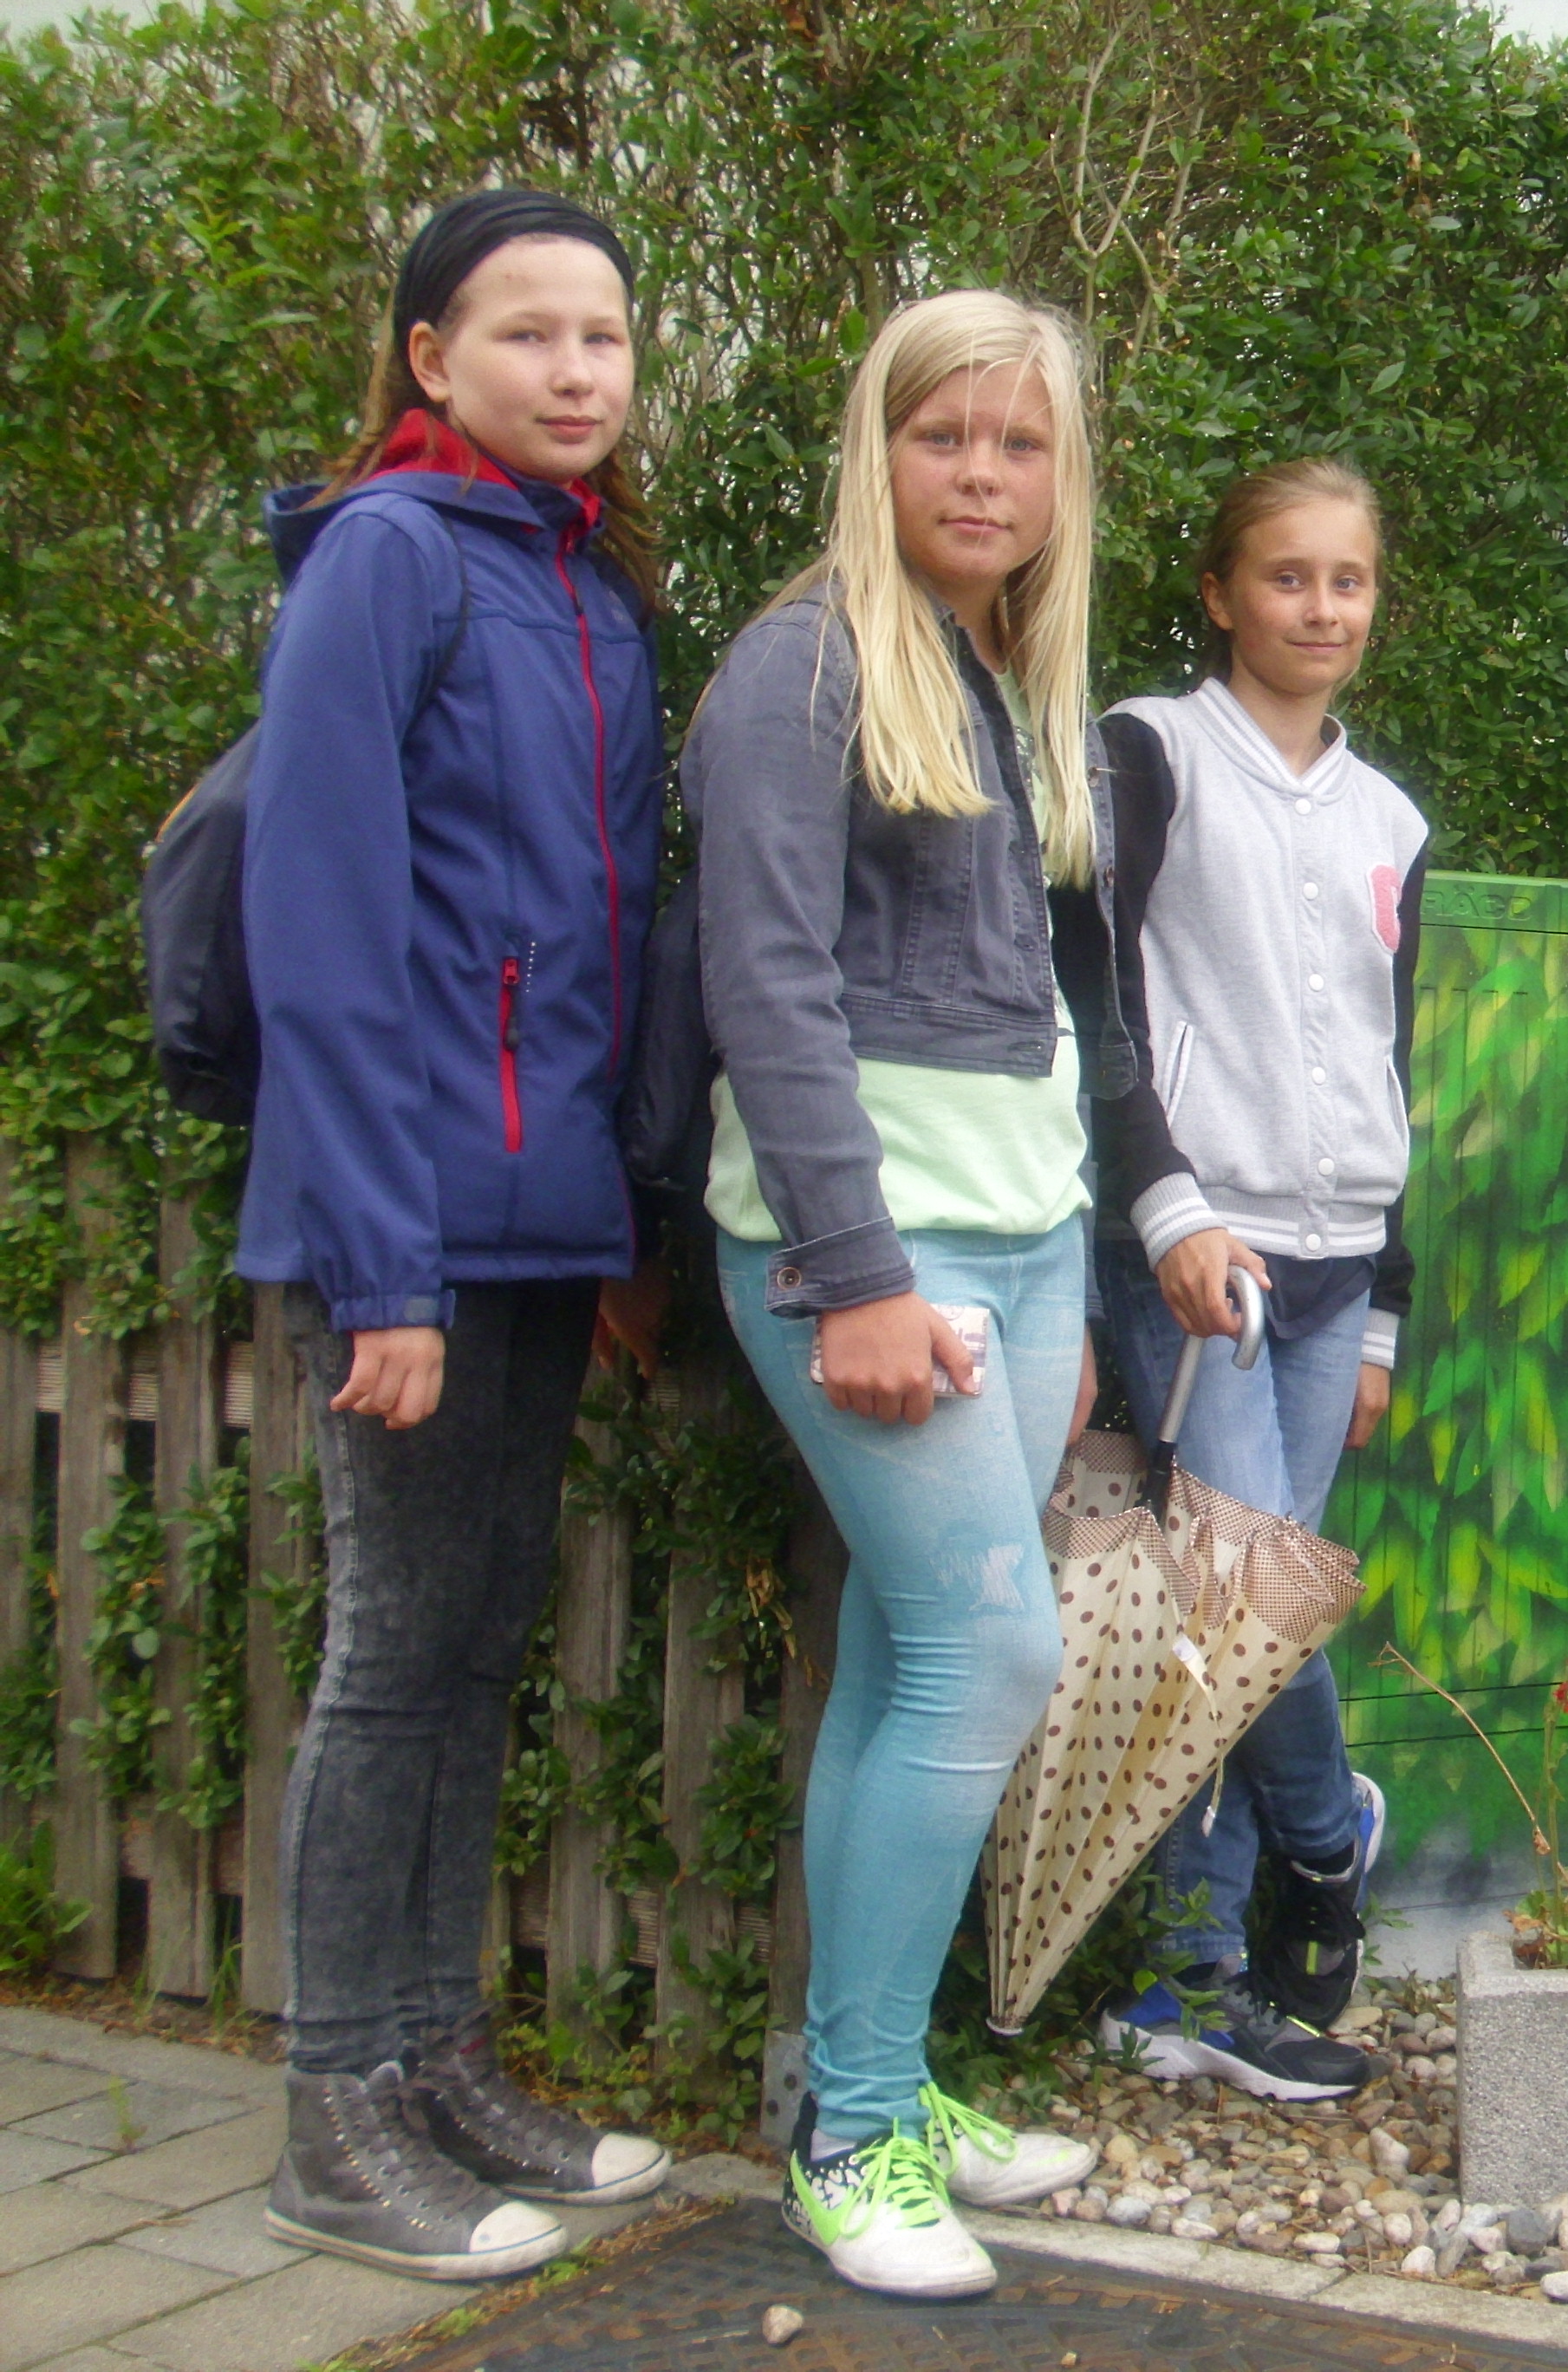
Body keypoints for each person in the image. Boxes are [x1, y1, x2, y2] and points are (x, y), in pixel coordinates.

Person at [242, 188, 672, 2284]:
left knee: (478, 1641)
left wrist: (609, 1228)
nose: (575, 370)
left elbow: (595, 955)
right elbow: (321, 931)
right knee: (393, 1652)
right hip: (401, 1220)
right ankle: (336, 2104)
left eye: (603, 335)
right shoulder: (388, 556)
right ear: (431, 357)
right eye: (527, 333)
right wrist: (380, 1270)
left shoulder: (593, 591)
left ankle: (434, 2057)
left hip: (536, 1221)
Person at [685, 290, 1116, 2299]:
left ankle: (877, 2083)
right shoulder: (803, 664)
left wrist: (1070, 1272)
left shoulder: (995, 668)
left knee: (902, 1664)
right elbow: (766, 982)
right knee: (985, 1656)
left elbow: (1036, 1012)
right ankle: (850, 2137)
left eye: (1021, 443)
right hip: (870, 1244)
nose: (983, 474)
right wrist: (854, 1274)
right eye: (946, 434)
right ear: (878, 447)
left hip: (1019, 1238)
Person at [1085, 458, 1424, 2100]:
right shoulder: (1148, 752)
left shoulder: (1390, 821)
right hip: (1198, 1252)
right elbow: (1097, 995)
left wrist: (1384, 1312)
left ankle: (1185, 1981)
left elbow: (1393, 1055)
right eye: (1286, 577)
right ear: (1221, 593)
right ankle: (1322, 1831)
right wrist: (1161, 1206)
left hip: (1336, 1259)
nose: (1320, 608)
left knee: (1226, 1627)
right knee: (1243, 1608)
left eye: (1346, 581)